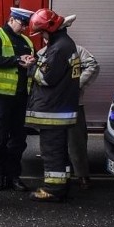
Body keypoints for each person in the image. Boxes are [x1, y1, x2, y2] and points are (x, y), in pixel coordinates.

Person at [25, 8, 81, 202]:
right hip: (61, 107)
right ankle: (62, 182)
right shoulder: (65, 44)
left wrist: (30, 67)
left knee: (51, 151)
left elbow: (46, 78)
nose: (43, 36)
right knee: (60, 150)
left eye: (42, 32)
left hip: (53, 110)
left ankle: (53, 190)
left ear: (50, 28)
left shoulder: (58, 48)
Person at [0, 6, 37, 191]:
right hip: (0, 96)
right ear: (12, 19)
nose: (24, 28)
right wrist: (17, 60)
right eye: (21, 24)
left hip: (21, 97)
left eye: (26, 25)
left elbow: (31, 61)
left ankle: (14, 176)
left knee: (18, 140)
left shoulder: (27, 41)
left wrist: (30, 62)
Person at [39, 26, 100, 189]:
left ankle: (82, 176)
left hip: (73, 105)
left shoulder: (77, 50)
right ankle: (63, 177)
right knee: (56, 144)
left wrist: (76, 85)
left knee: (77, 142)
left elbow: (92, 66)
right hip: (52, 107)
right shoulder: (42, 53)